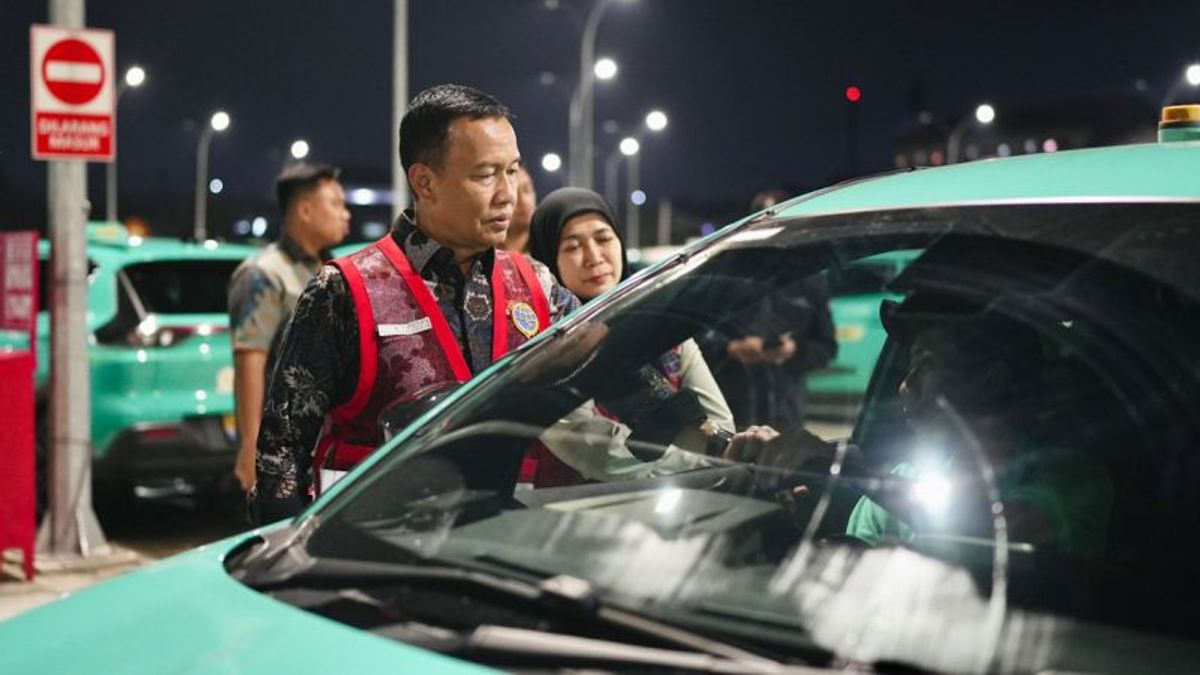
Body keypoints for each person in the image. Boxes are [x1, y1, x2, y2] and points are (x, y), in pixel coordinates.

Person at [249, 84, 578, 523]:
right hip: (370, 550)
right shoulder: (343, 291)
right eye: (486, 175)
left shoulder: (537, 284)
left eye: (513, 171)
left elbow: (615, 378)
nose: (508, 194)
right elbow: (280, 460)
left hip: (508, 545)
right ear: (424, 181)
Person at [845, 296, 1113, 560]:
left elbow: (998, 537)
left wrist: (868, 478)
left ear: (992, 382)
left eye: (926, 365)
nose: (905, 386)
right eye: (910, 367)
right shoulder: (903, 479)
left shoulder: (1071, 480)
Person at [524, 187, 735, 484]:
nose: (594, 257)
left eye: (603, 239)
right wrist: (710, 459)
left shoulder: (664, 330)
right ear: (549, 259)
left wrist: (718, 453)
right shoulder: (550, 348)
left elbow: (721, 424)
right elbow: (602, 454)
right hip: (576, 504)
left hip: (680, 500)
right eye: (572, 247)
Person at [227, 162, 349, 493]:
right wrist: (251, 448)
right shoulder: (264, 273)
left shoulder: (328, 269)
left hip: (324, 438)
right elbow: (250, 361)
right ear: (305, 210)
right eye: (336, 204)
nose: (346, 214)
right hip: (283, 443)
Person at [702, 190, 837, 432]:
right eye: (766, 224)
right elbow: (694, 337)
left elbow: (827, 347)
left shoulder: (810, 280)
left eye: (781, 225)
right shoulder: (725, 276)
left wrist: (793, 351)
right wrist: (730, 349)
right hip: (732, 415)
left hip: (785, 419)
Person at [500, 165, 536, 253]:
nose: (523, 201)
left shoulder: (551, 249)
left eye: (527, 190)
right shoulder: (480, 252)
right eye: (514, 193)